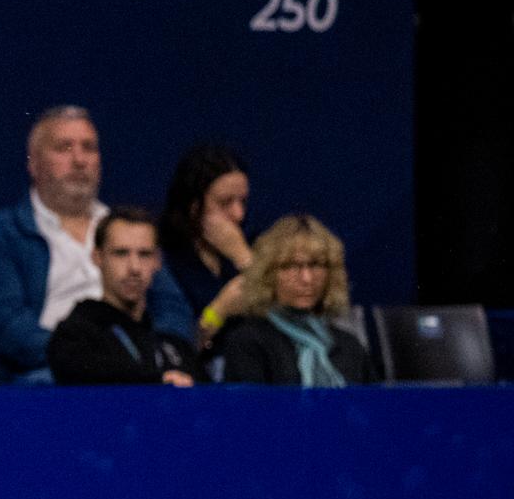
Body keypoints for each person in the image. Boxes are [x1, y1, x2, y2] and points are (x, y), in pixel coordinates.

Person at [0, 107, 193, 384]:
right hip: (46, 369)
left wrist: (157, 355)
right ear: (33, 163)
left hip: (132, 365)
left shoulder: (124, 231)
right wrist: (92, 360)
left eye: (89, 148)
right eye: (64, 148)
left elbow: (172, 308)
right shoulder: (0, 234)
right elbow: (8, 328)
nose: (79, 160)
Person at [218, 214, 376, 385]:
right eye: (291, 266)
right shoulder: (249, 342)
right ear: (268, 273)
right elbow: (250, 409)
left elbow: (373, 408)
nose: (306, 278)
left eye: (316, 265)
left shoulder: (349, 346)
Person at [48, 209, 200, 385]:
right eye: (121, 253)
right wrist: (157, 383)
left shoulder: (172, 344)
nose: (134, 267)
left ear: (157, 261)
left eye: (144, 254)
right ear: (97, 257)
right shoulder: (75, 336)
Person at [159, 144, 254, 347]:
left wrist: (244, 258)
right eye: (225, 202)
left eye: (243, 202)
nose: (239, 214)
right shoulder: (165, 260)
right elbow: (175, 348)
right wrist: (218, 312)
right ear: (194, 207)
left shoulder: (254, 247)